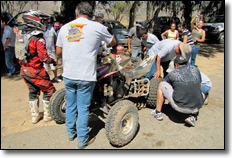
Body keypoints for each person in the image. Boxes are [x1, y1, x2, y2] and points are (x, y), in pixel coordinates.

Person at [56, 2, 116, 149]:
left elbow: (58, 53)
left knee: (71, 105)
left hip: (68, 74)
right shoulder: (97, 27)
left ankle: (71, 134)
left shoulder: (64, 28)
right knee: (83, 108)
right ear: (91, 15)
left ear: (76, 13)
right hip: (85, 75)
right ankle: (82, 140)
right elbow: (112, 42)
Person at [19, 10, 57, 124]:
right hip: (36, 70)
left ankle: (35, 116)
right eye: (42, 20)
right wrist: (52, 60)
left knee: (32, 91)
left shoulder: (21, 35)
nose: (44, 22)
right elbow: (44, 58)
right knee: (49, 90)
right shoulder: (38, 38)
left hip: (24, 70)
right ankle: (47, 115)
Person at [151, 55, 204, 127]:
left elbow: (169, 86)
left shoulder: (173, 73)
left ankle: (157, 112)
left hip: (180, 107)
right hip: (196, 107)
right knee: (201, 93)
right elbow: (200, 86)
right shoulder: (195, 69)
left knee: (162, 84)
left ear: (176, 65)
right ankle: (192, 116)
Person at [43, 17, 61, 83]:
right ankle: (46, 79)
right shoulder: (40, 29)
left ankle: (55, 77)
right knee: (45, 66)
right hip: (43, 51)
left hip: (52, 50)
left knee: (54, 65)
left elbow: (55, 38)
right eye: (44, 20)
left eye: (46, 20)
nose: (45, 21)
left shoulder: (51, 29)